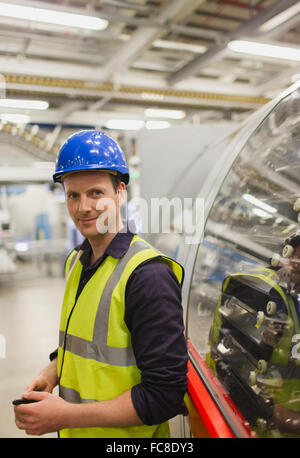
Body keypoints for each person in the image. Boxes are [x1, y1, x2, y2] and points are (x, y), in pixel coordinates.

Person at [13, 130, 188, 438]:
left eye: (96, 193)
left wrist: (67, 415)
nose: (83, 208)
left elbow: (164, 396)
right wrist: (52, 371)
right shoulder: (76, 261)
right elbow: (86, 341)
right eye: (73, 195)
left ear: (120, 192)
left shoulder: (147, 275)